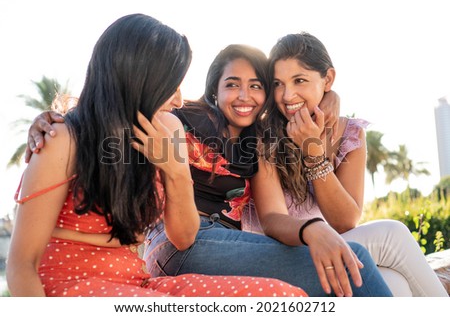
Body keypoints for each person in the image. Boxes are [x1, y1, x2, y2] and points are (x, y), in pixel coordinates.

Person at [24, 42, 392, 297]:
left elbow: (275, 217)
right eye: (232, 85)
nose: (245, 96)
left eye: (257, 86)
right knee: (354, 263)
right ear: (214, 90)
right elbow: (115, 109)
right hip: (178, 241)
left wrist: (312, 230)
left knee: (340, 271)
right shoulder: (182, 119)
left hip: (222, 246)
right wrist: (53, 119)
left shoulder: (259, 142)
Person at [6, 13, 309, 297]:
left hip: (136, 283)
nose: (178, 99)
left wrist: (176, 170)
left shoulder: (167, 130)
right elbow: (21, 266)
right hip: (73, 286)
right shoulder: (63, 139)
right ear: (139, 80)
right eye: (171, 85)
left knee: (285, 296)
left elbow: (184, 238)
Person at [243, 32, 448, 297]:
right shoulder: (263, 135)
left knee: (394, 283)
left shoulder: (350, 134)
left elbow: (345, 220)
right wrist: (313, 151)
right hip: (281, 257)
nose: (287, 94)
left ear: (328, 79)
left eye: (300, 80)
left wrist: (312, 152)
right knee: (392, 235)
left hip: (329, 249)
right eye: (278, 84)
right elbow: (272, 220)